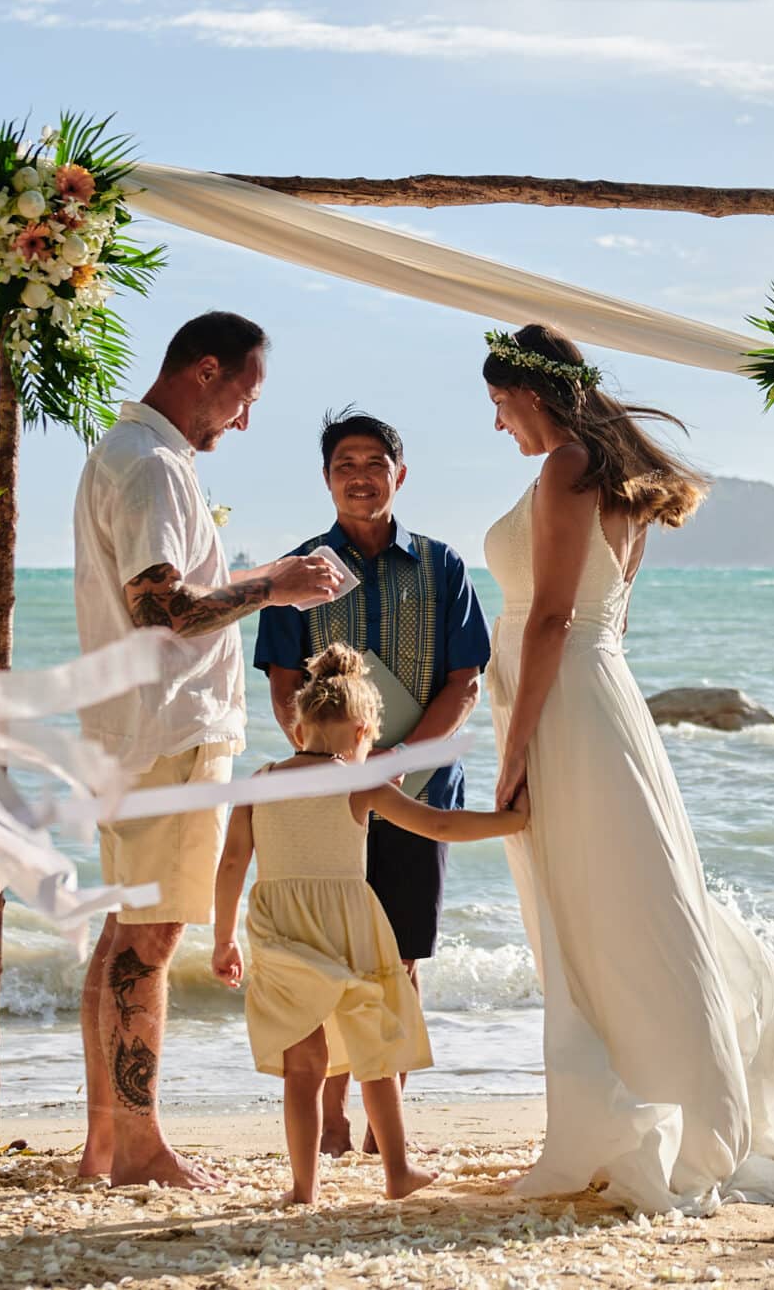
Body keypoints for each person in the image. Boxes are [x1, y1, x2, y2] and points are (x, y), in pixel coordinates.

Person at [479, 323, 774, 1213]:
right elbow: (604, 625)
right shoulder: (611, 471)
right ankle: (655, 1099)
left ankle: (656, 1115)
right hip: (598, 697)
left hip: (568, 709)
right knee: (624, 905)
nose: (498, 425)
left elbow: (549, 620)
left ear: (530, 394)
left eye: (499, 406)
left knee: (603, 909)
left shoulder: (565, 465)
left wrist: (514, 748)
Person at [69, 311, 345, 1188]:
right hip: (167, 733)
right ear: (206, 372)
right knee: (146, 943)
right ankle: (138, 1147)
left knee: (124, 935)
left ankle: (107, 1143)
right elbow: (161, 607)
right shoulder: (149, 465)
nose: (244, 419)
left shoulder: (137, 454)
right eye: (244, 398)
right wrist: (276, 585)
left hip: (137, 729)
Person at [211, 643, 529, 1206]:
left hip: (281, 932)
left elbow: (232, 861)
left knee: (302, 1063)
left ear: (300, 725)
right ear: (362, 733)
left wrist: (223, 938)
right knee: (377, 1051)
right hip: (350, 928)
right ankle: (397, 1172)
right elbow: (440, 825)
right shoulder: (360, 785)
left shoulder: (259, 781)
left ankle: (303, 1187)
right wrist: (511, 821)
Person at [252, 408, 489, 1157]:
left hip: (420, 794)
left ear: (400, 473)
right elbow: (284, 683)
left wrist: (400, 762)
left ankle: (388, 1132)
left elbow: (466, 678)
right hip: (327, 803)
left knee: (401, 958)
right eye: (345, 463)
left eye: (374, 461)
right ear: (327, 478)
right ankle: (328, 1116)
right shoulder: (300, 569)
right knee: (326, 959)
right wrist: (328, 766)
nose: (361, 475)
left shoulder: (444, 566)